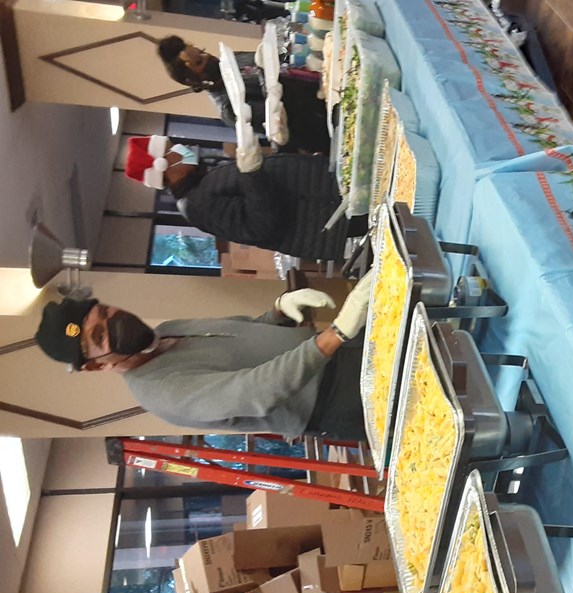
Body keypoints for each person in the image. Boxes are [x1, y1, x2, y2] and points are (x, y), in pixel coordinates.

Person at [34, 282, 372, 440]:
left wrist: (279, 310)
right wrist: (336, 333)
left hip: (336, 352)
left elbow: (246, 332)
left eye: (105, 313)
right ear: (97, 365)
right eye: (100, 337)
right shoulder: (161, 392)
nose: (114, 322)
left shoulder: (169, 330)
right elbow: (256, 391)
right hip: (335, 397)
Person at [124, 135, 358, 263]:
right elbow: (260, 227)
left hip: (332, 195)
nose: (181, 147)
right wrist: (252, 173)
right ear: (163, 165)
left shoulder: (202, 182)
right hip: (334, 220)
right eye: (172, 148)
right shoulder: (196, 207)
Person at [157, 36, 330, 155]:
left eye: (201, 51)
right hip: (320, 122)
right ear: (193, 80)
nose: (207, 56)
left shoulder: (232, 59)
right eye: (199, 61)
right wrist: (267, 75)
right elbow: (283, 113)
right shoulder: (229, 106)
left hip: (321, 86)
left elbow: (282, 61)